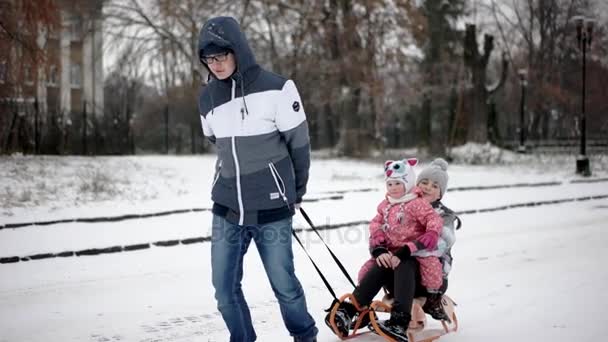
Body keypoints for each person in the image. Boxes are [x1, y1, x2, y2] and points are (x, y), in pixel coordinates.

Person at [197, 16, 317, 342]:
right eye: (209, 58)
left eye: (222, 55)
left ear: (239, 50)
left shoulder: (278, 88)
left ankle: (305, 337)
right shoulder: (207, 99)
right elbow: (216, 141)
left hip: (272, 207)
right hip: (227, 208)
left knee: (284, 285)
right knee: (224, 290)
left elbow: (299, 145)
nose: (216, 64)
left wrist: (295, 190)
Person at [327, 158, 443, 341]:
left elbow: (433, 220)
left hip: (414, 266)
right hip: (392, 265)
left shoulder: (418, 203)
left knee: (403, 262)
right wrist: (379, 249)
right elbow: (376, 225)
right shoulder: (385, 205)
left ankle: (399, 322)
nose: (394, 187)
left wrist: (422, 240)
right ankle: (352, 309)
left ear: (408, 183)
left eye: (398, 183)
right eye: (390, 183)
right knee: (381, 264)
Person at [412, 158, 459, 322]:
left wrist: (407, 248)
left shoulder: (445, 215)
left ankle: (432, 302)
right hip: (405, 267)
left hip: (433, 276)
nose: (427, 187)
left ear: (440, 193)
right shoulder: (406, 206)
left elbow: (441, 244)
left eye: (434, 186)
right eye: (424, 182)